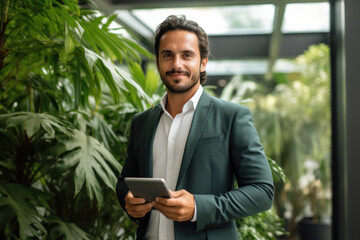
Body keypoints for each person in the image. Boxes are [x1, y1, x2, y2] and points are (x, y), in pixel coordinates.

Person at [116, 15, 274, 240]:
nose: (176, 64)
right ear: (158, 61)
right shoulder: (141, 123)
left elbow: (262, 192)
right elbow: (125, 182)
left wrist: (199, 207)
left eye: (187, 55)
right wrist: (129, 201)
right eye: (167, 55)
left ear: (203, 63)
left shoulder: (232, 117)